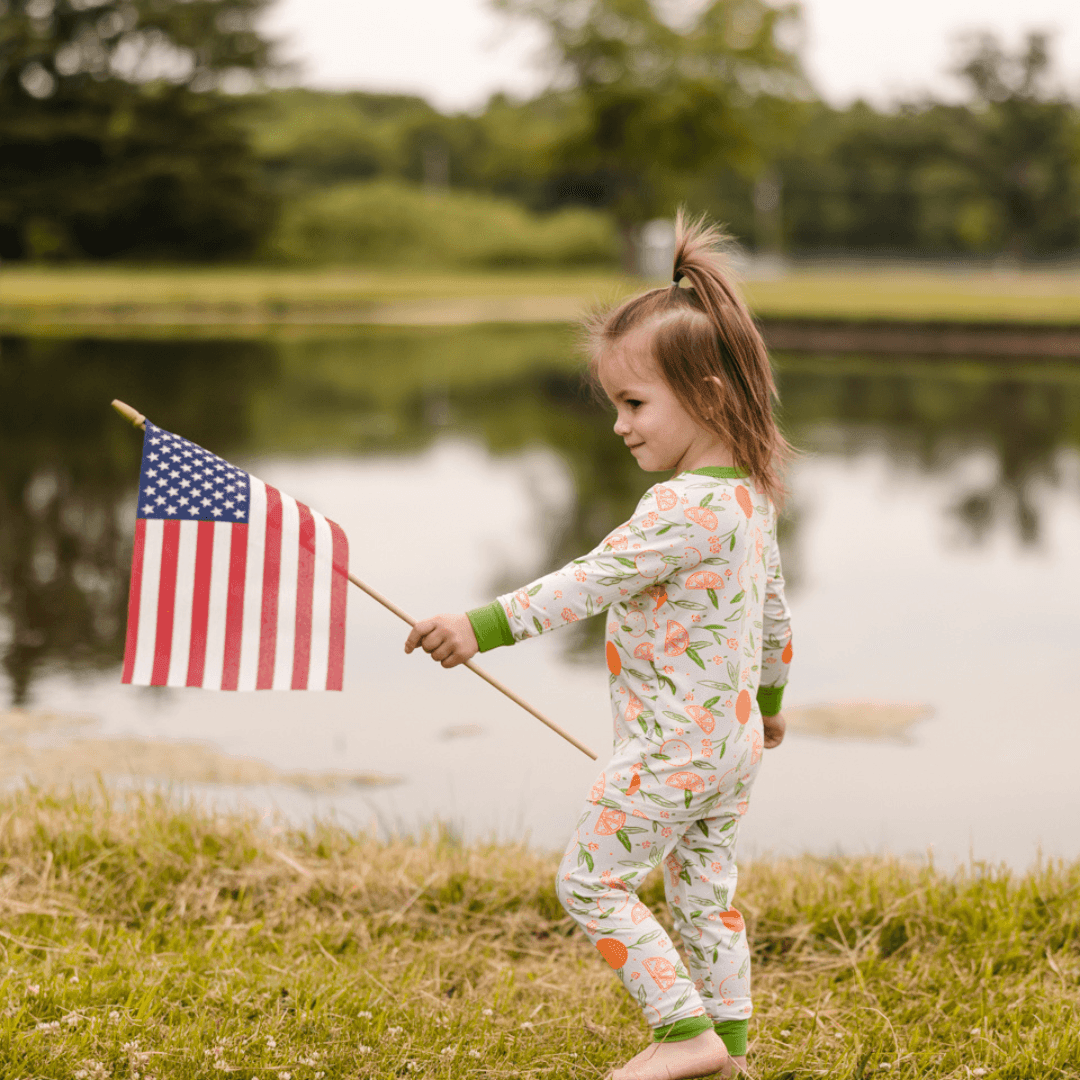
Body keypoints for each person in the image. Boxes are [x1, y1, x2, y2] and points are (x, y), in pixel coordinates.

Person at [404, 210, 793, 1080]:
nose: (620, 424)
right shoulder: (746, 501)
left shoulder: (677, 507)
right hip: (728, 744)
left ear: (711, 398)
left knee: (590, 882)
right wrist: (767, 709)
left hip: (673, 746)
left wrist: (479, 627)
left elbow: (589, 580)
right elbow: (775, 621)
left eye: (634, 402)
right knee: (702, 897)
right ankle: (726, 1055)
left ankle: (683, 1034)